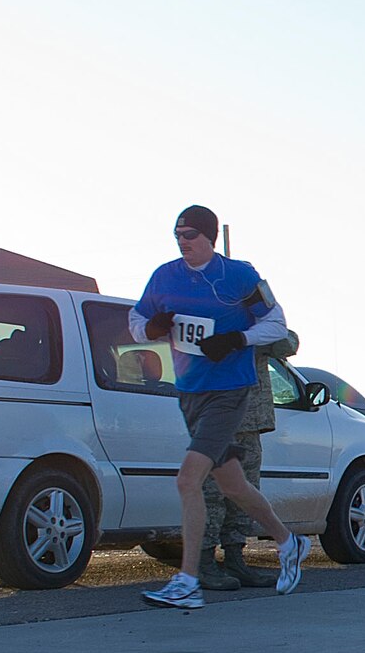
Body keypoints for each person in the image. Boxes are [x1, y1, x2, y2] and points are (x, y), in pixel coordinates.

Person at [131, 205, 313, 608]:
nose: (183, 242)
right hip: (190, 392)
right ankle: (289, 541)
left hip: (231, 391)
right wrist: (151, 329)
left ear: (211, 237)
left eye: (191, 235)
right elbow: (136, 319)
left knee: (187, 479)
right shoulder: (164, 276)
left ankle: (187, 581)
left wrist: (236, 340)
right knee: (232, 484)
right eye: (177, 234)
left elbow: (277, 326)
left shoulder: (239, 275)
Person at [197, 326, 300, 592]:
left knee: (245, 495)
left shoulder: (257, 321)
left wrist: (255, 334)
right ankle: (204, 562)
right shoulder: (207, 315)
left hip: (250, 420)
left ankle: (234, 559)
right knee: (212, 495)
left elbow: (288, 343)